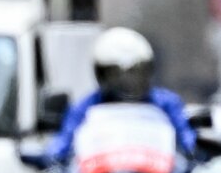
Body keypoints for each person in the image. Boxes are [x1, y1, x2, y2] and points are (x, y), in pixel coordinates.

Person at [47, 27, 196, 163]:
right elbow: (64, 140)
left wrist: (194, 149)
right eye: (115, 75)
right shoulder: (85, 107)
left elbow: (185, 135)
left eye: (135, 72)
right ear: (101, 74)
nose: (127, 82)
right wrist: (53, 154)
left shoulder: (166, 103)